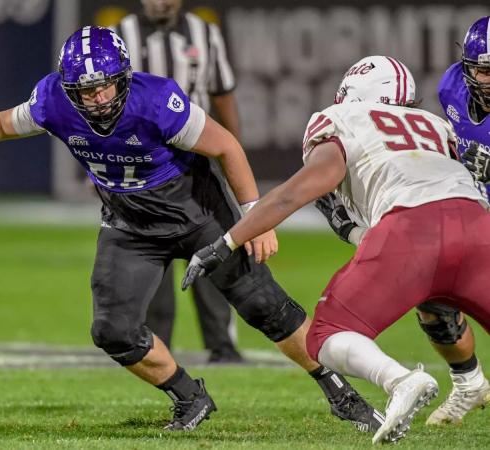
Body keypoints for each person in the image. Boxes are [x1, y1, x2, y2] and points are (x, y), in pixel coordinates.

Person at [0, 26, 383, 433]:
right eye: (85, 91)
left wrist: (255, 215)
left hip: (199, 216)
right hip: (130, 225)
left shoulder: (157, 100)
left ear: (124, 78)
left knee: (266, 308)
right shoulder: (54, 99)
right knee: (112, 330)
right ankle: (189, 396)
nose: (96, 99)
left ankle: (339, 391)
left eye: (104, 87)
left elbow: (227, 148)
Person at [182, 54, 490, 443]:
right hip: (478, 224)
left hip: (411, 230)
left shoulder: (343, 120)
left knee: (325, 335)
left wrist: (228, 240)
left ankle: (399, 381)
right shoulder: (438, 125)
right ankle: (468, 381)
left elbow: (295, 193)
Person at [311, 16, 490, 428]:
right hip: (462, 204)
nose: (487, 80)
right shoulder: (452, 90)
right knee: (433, 296)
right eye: (484, 70)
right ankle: (469, 382)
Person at [115, 0, 243, 363]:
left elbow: (223, 94)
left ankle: (223, 345)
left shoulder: (205, 32)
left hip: (198, 161)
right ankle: (157, 349)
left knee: (214, 248)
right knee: (151, 255)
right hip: (144, 162)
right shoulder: (120, 36)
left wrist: (233, 151)